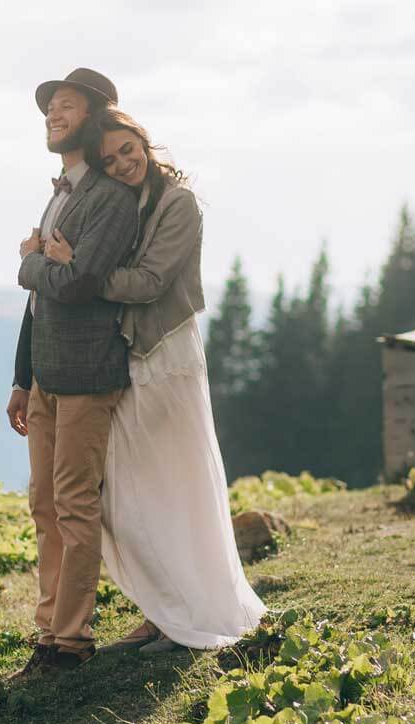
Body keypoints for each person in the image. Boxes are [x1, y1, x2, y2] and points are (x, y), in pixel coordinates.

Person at [40, 107, 266, 653]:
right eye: (110, 158)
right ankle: (165, 609)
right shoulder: (130, 202)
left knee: (170, 487)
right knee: (130, 494)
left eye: (128, 150)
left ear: (146, 142)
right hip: (131, 357)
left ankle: (191, 612)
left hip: (166, 356)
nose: (122, 163)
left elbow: (149, 282)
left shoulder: (178, 203)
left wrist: (79, 273)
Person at [6, 68, 139, 675]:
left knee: (74, 506)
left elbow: (81, 284)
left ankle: (73, 642)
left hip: (88, 376)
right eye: (48, 109)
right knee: (43, 504)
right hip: (46, 379)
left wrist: (29, 264)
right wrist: (20, 376)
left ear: (91, 116)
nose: (52, 116)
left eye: (63, 106)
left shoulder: (112, 200)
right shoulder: (60, 192)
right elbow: (43, 301)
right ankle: (48, 633)